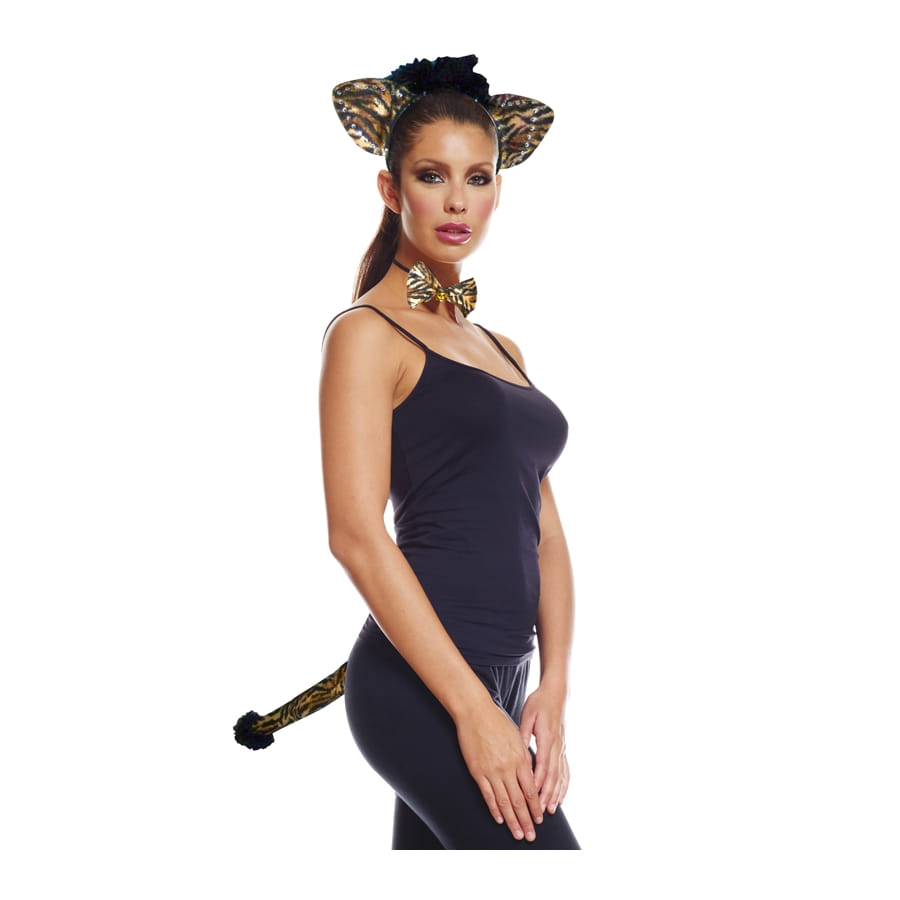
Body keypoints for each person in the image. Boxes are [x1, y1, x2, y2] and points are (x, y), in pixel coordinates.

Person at [321, 55, 580, 850]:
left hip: (508, 679)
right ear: (391, 189)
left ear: (499, 189)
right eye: (432, 176)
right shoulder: (366, 334)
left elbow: (546, 534)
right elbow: (355, 535)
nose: (458, 200)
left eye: (478, 177)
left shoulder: (502, 349)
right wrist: (470, 708)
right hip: (422, 684)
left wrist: (553, 691)